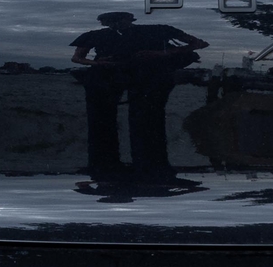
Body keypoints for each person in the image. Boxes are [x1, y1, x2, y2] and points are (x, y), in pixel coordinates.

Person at [70, 11, 206, 179]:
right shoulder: (94, 35)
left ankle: (149, 169)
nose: (115, 24)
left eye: (118, 20)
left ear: (128, 20)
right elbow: (77, 58)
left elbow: (199, 43)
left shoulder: (159, 30)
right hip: (108, 75)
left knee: (147, 122)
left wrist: (161, 54)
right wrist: (97, 62)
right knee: (101, 123)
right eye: (110, 21)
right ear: (105, 23)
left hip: (149, 76)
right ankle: (111, 167)